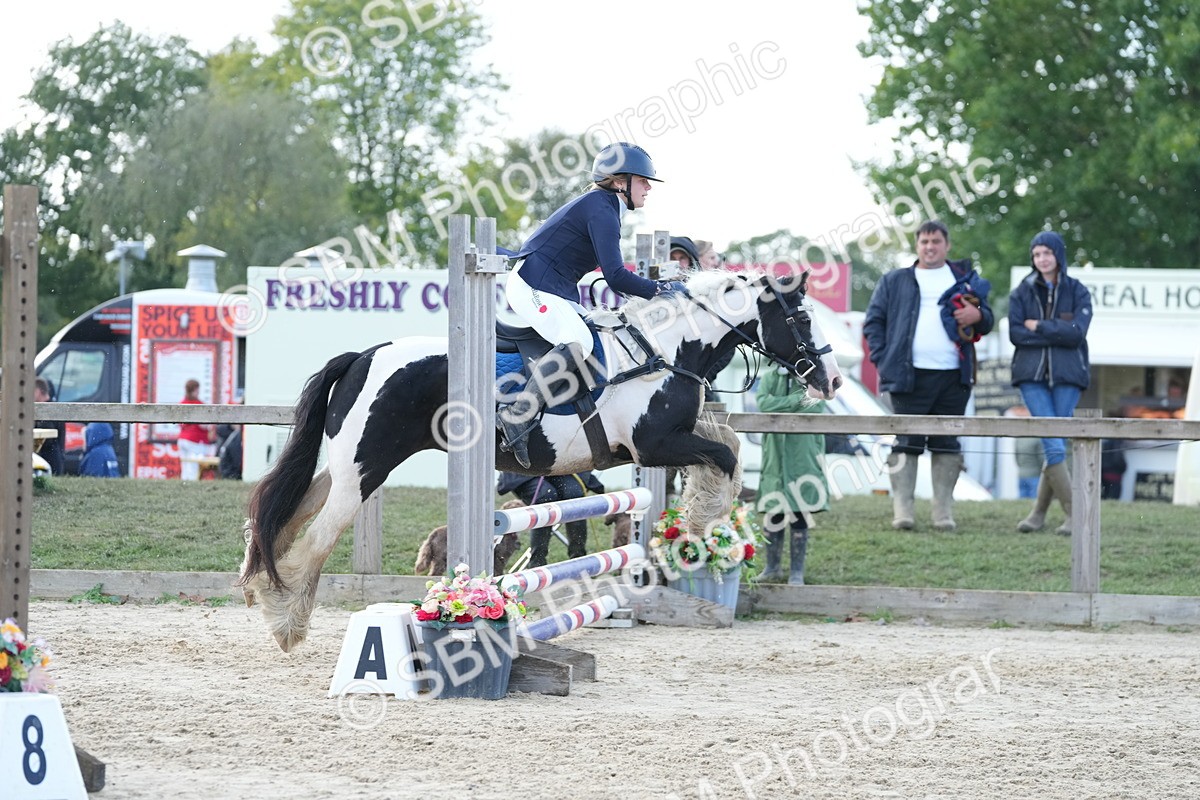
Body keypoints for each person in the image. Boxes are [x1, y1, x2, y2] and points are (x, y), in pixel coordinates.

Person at [499, 141, 685, 468]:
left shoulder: (604, 206)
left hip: (553, 287)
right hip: (532, 285)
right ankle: (519, 414)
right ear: (619, 181)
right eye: (643, 181)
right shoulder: (602, 208)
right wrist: (660, 290)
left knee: (595, 335)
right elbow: (615, 277)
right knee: (578, 341)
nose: (648, 188)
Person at [863, 219, 993, 531]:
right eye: (924, 242)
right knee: (906, 441)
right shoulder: (895, 280)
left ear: (947, 245)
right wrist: (885, 360)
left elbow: (986, 320)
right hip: (908, 376)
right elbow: (873, 323)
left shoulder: (964, 278)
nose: (930, 247)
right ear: (917, 245)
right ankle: (903, 510)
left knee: (947, 443)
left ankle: (942, 513)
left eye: (936, 241)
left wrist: (979, 315)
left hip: (954, 375)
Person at [1010, 230, 1093, 535]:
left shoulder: (1078, 291)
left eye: (1046, 252)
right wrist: (1058, 331)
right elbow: (1016, 334)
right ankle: (1076, 515)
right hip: (1031, 377)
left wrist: (1040, 326)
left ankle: (1037, 514)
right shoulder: (1021, 292)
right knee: (1053, 442)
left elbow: (1077, 333)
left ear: (1058, 255)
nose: (1041, 259)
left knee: (1054, 443)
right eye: (1036, 254)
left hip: (1068, 377)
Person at [754, 366, 830, 585]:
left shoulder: (815, 378)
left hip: (802, 452)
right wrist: (797, 399)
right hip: (775, 452)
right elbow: (763, 404)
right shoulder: (769, 377)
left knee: (799, 509)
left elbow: (815, 406)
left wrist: (782, 403)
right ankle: (772, 567)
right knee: (773, 508)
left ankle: (797, 571)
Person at [497, 471, 606, 567]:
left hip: (560, 469)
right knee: (546, 496)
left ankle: (579, 560)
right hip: (524, 472)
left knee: (574, 493)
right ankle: (537, 564)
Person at [177, 378, 215, 481]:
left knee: (185, 466)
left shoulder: (182, 403)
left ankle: (184, 484)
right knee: (193, 467)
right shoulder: (199, 405)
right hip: (195, 440)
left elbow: (179, 423)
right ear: (195, 390)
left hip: (182, 439)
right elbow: (204, 425)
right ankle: (192, 484)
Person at [34, 377, 66, 475]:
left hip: (49, 462)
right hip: (56, 461)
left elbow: (46, 440)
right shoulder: (55, 408)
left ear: (38, 391)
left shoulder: (45, 412)